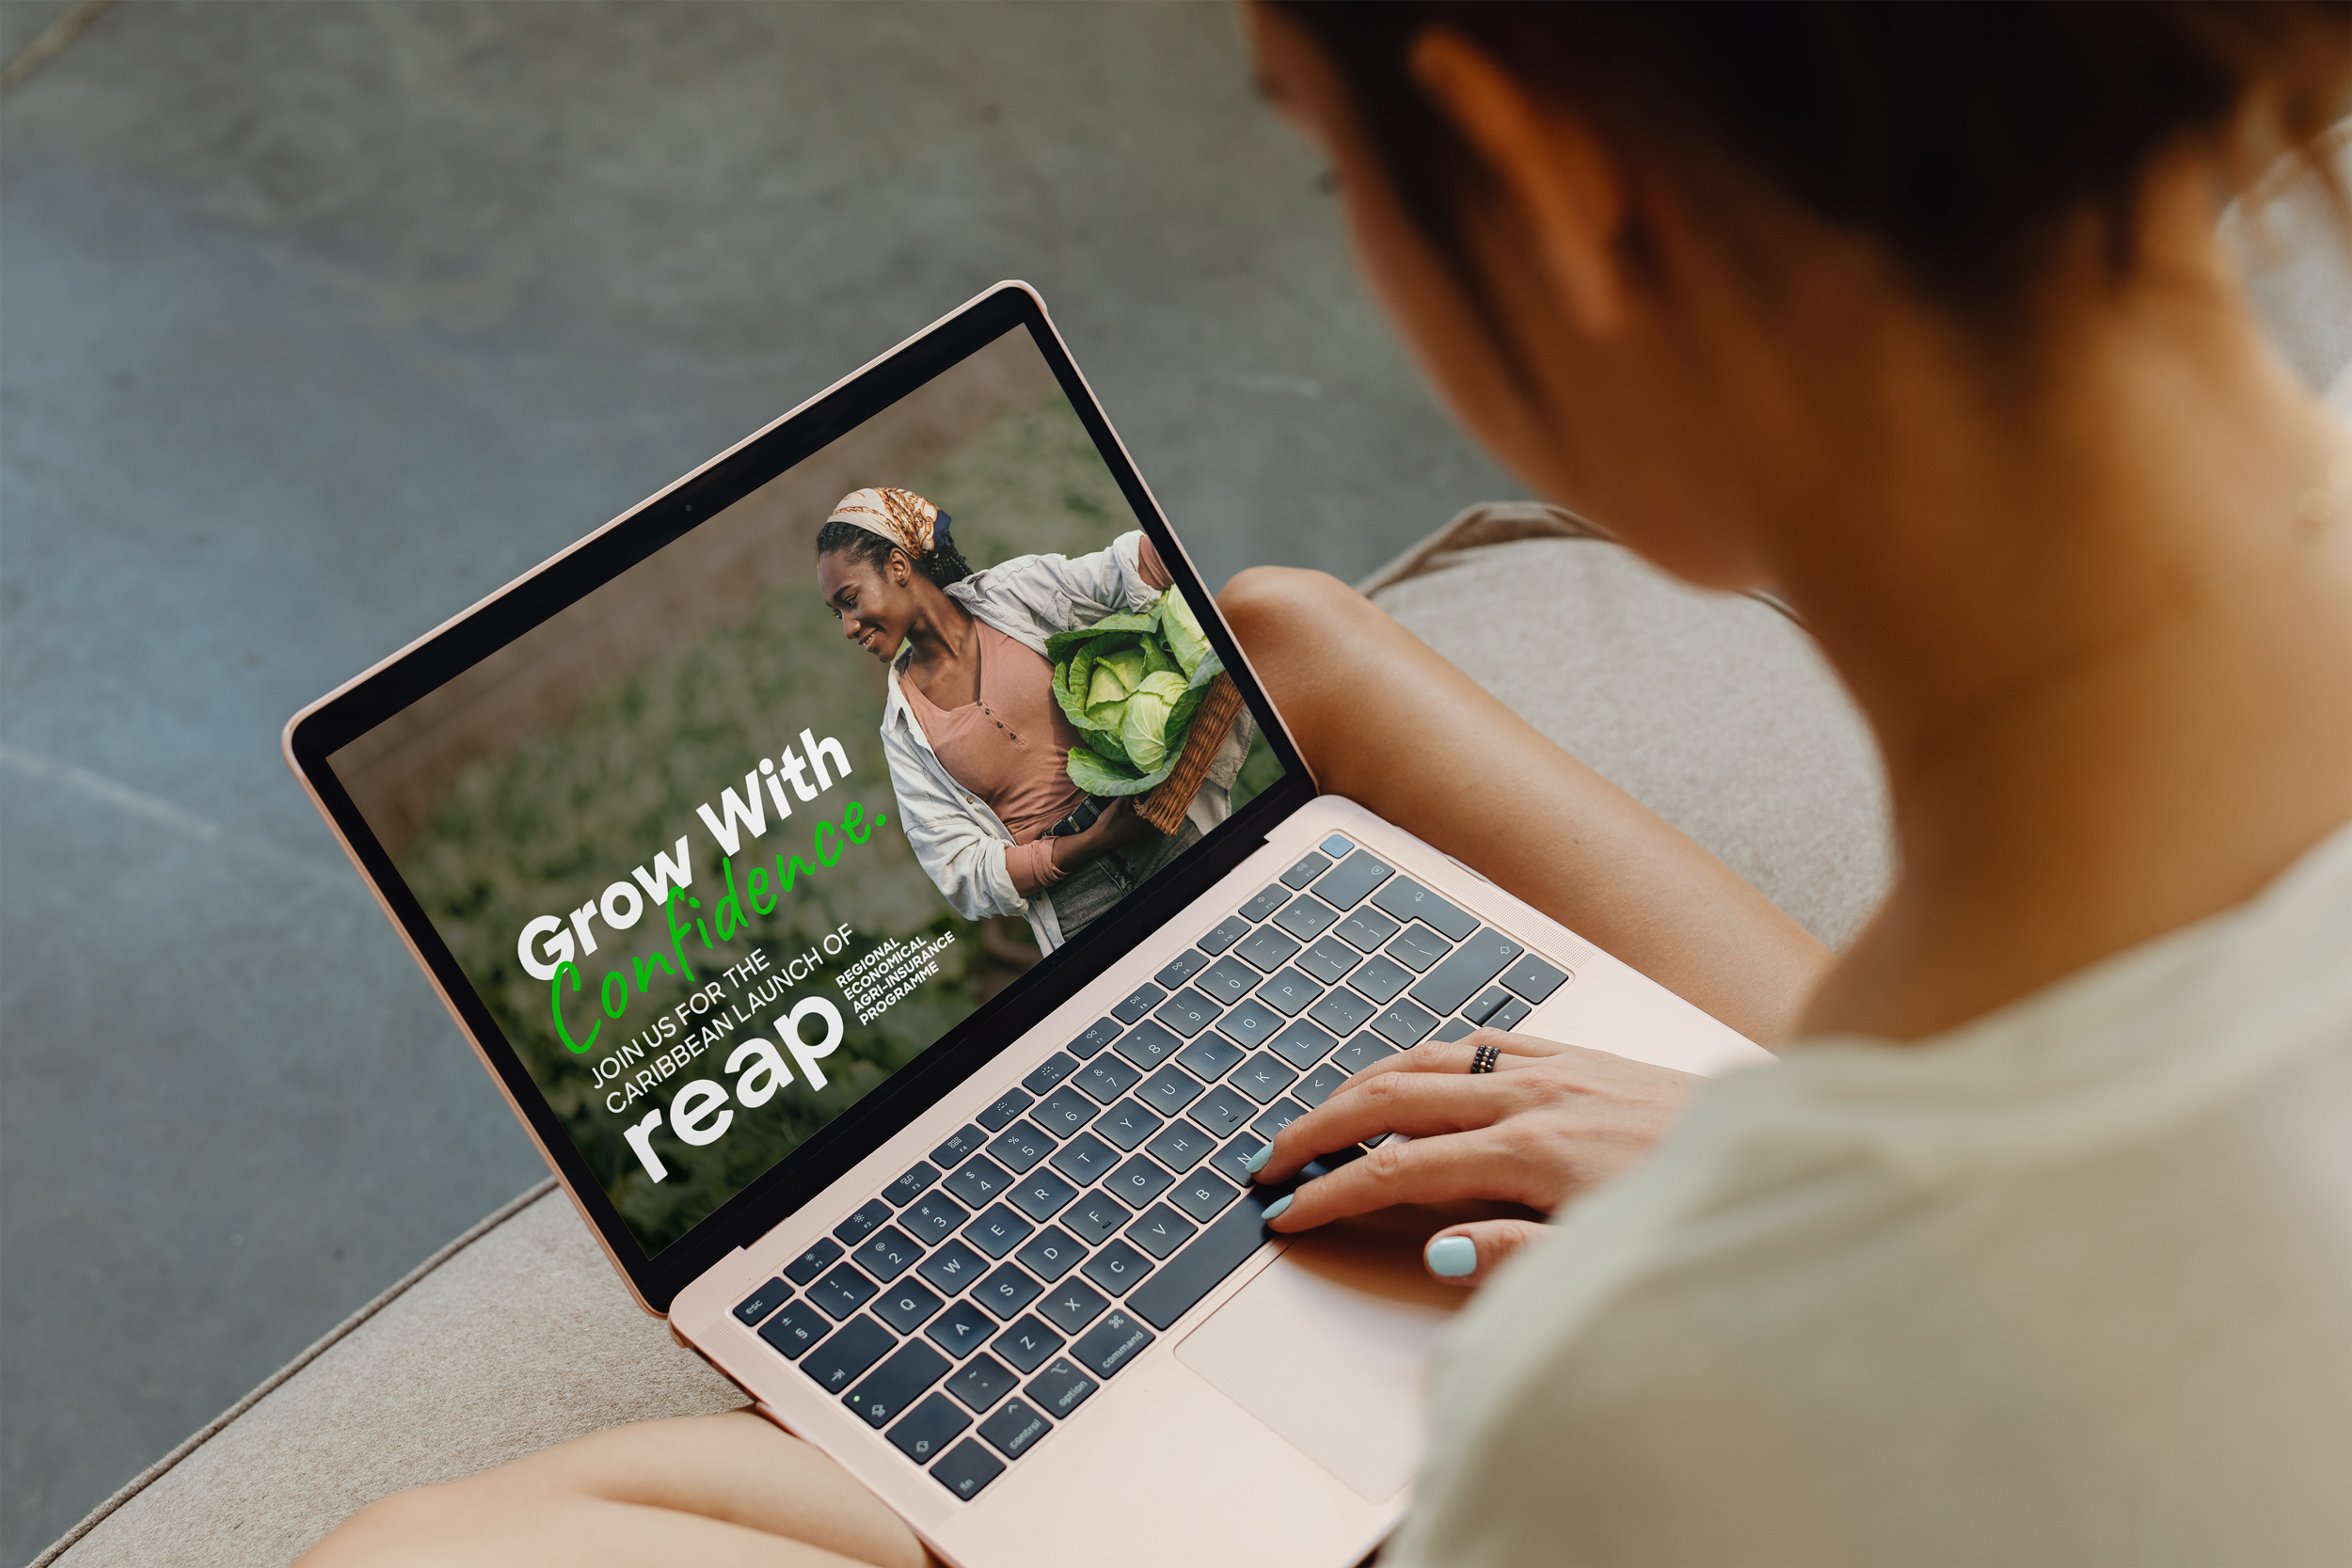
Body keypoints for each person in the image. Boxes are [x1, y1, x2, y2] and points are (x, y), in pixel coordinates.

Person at [303, 2, 2352, 1562]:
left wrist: (1771, 1206)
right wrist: (1761, 1137)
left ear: (1541, 176)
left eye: (1325, 165)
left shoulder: (1649, 1420)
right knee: (1286, 643)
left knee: (417, 1542)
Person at [813, 485, 1240, 953]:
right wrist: (1095, 840)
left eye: (850, 600)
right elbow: (961, 870)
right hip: (1077, 905)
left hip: (1164, 826)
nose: (849, 627)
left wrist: (1198, 526)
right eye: (837, 613)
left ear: (898, 567)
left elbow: (1122, 574)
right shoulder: (903, 730)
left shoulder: (1011, 597)